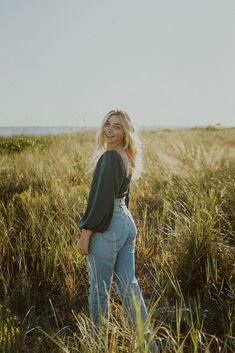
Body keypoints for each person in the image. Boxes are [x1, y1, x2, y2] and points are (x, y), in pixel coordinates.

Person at [77, 109, 158, 352]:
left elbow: (101, 200)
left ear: (126, 132)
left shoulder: (110, 157)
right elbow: (123, 196)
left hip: (109, 225)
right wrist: (122, 226)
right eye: (107, 124)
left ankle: (100, 345)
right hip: (125, 222)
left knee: (99, 291)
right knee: (129, 286)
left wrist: (86, 233)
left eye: (117, 127)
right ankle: (149, 346)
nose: (109, 130)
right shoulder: (126, 156)